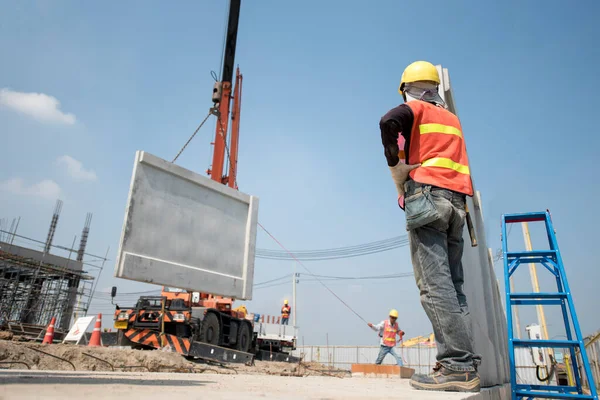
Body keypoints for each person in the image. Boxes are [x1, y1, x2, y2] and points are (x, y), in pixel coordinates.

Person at [378, 60, 481, 392]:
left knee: (434, 287)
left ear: (406, 88)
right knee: (454, 287)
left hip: (428, 196)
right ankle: (463, 364)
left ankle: (457, 366)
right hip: (456, 204)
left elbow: (387, 122)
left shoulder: (414, 109)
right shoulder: (452, 119)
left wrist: (396, 164)